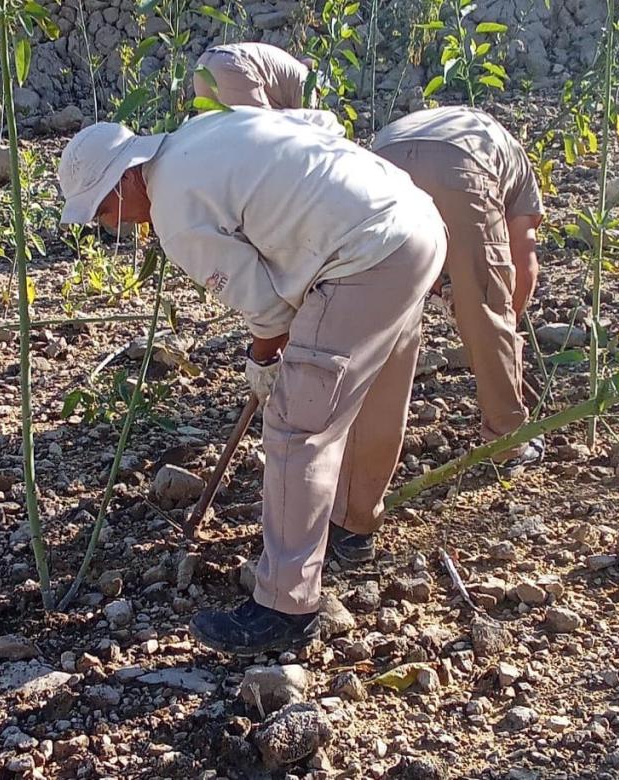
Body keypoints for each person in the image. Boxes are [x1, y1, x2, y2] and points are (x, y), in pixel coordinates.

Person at [57, 109, 445, 654]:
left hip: (362, 257)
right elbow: (319, 122)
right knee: (373, 394)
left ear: (124, 178)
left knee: (297, 426)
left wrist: (265, 363)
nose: (112, 225)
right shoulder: (203, 129)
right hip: (413, 225)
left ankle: (285, 608)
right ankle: (354, 528)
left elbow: (266, 310)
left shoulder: (176, 211)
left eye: (104, 211)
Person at [372, 106, 544, 464]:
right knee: (486, 304)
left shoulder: (446, 124)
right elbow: (523, 259)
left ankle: (356, 442)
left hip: (377, 160)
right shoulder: (521, 173)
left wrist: (442, 289)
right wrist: (500, 327)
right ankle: (506, 440)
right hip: (462, 164)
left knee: (374, 308)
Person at [192, 41, 312, 110]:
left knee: (211, 135)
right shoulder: (309, 84)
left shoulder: (291, 67)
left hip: (205, 62)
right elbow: (307, 126)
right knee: (264, 134)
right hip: (234, 66)